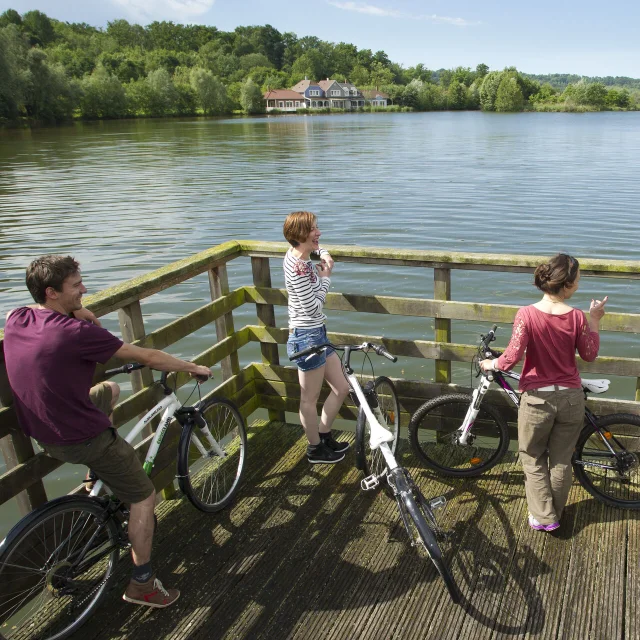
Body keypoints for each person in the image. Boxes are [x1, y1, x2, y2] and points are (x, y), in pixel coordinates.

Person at [3, 255, 212, 609]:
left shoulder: (18, 318)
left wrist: (76, 310)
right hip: (81, 438)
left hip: (43, 430)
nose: (84, 289)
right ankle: (142, 583)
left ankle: (96, 474)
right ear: (51, 292)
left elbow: (22, 311)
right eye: (76, 286)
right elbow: (146, 356)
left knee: (110, 391)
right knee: (144, 497)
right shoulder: (75, 334)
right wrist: (191, 366)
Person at [480, 253, 607, 532]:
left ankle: (544, 517)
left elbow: (510, 358)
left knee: (532, 455)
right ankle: (552, 514)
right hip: (571, 398)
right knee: (562, 459)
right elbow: (589, 354)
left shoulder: (526, 314)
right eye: (578, 279)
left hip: (538, 399)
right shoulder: (577, 317)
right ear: (568, 285)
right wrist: (595, 320)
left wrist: (491, 364)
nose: (578, 284)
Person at [283, 211, 351, 464]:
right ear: (300, 234)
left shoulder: (298, 255)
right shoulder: (298, 268)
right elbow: (313, 308)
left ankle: (324, 435)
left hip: (317, 334)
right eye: (313, 229)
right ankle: (314, 449)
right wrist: (325, 279)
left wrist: (324, 254)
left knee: (342, 387)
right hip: (306, 338)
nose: (318, 232)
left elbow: (317, 248)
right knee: (309, 399)